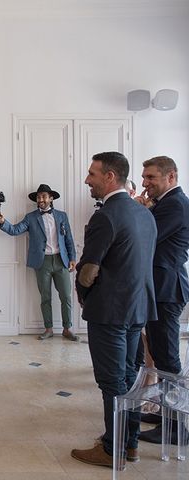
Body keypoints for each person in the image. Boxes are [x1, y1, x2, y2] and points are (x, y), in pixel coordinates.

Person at [70, 152, 157, 468]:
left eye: (91, 173)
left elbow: (88, 269)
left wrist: (82, 295)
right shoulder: (144, 214)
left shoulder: (105, 216)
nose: (86, 180)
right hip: (138, 309)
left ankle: (112, 449)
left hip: (109, 312)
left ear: (109, 177)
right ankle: (129, 444)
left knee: (111, 382)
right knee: (129, 379)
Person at [136, 156, 189, 444]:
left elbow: (147, 235)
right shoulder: (166, 204)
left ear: (171, 176)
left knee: (168, 359)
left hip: (168, 290)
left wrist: (143, 211)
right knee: (158, 353)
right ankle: (163, 414)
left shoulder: (175, 205)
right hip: (160, 289)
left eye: (151, 178)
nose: (145, 183)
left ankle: (177, 428)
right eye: (144, 177)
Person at [0, 184, 78, 341]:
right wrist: (3, 221)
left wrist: (73, 258)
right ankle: (49, 329)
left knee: (66, 296)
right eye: (39, 197)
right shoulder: (30, 217)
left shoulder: (62, 216)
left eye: (44, 196)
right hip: (42, 262)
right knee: (45, 297)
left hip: (61, 260)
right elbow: (14, 230)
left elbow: (69, 239)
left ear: (51, 198)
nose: (41, 199)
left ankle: (68, 329)